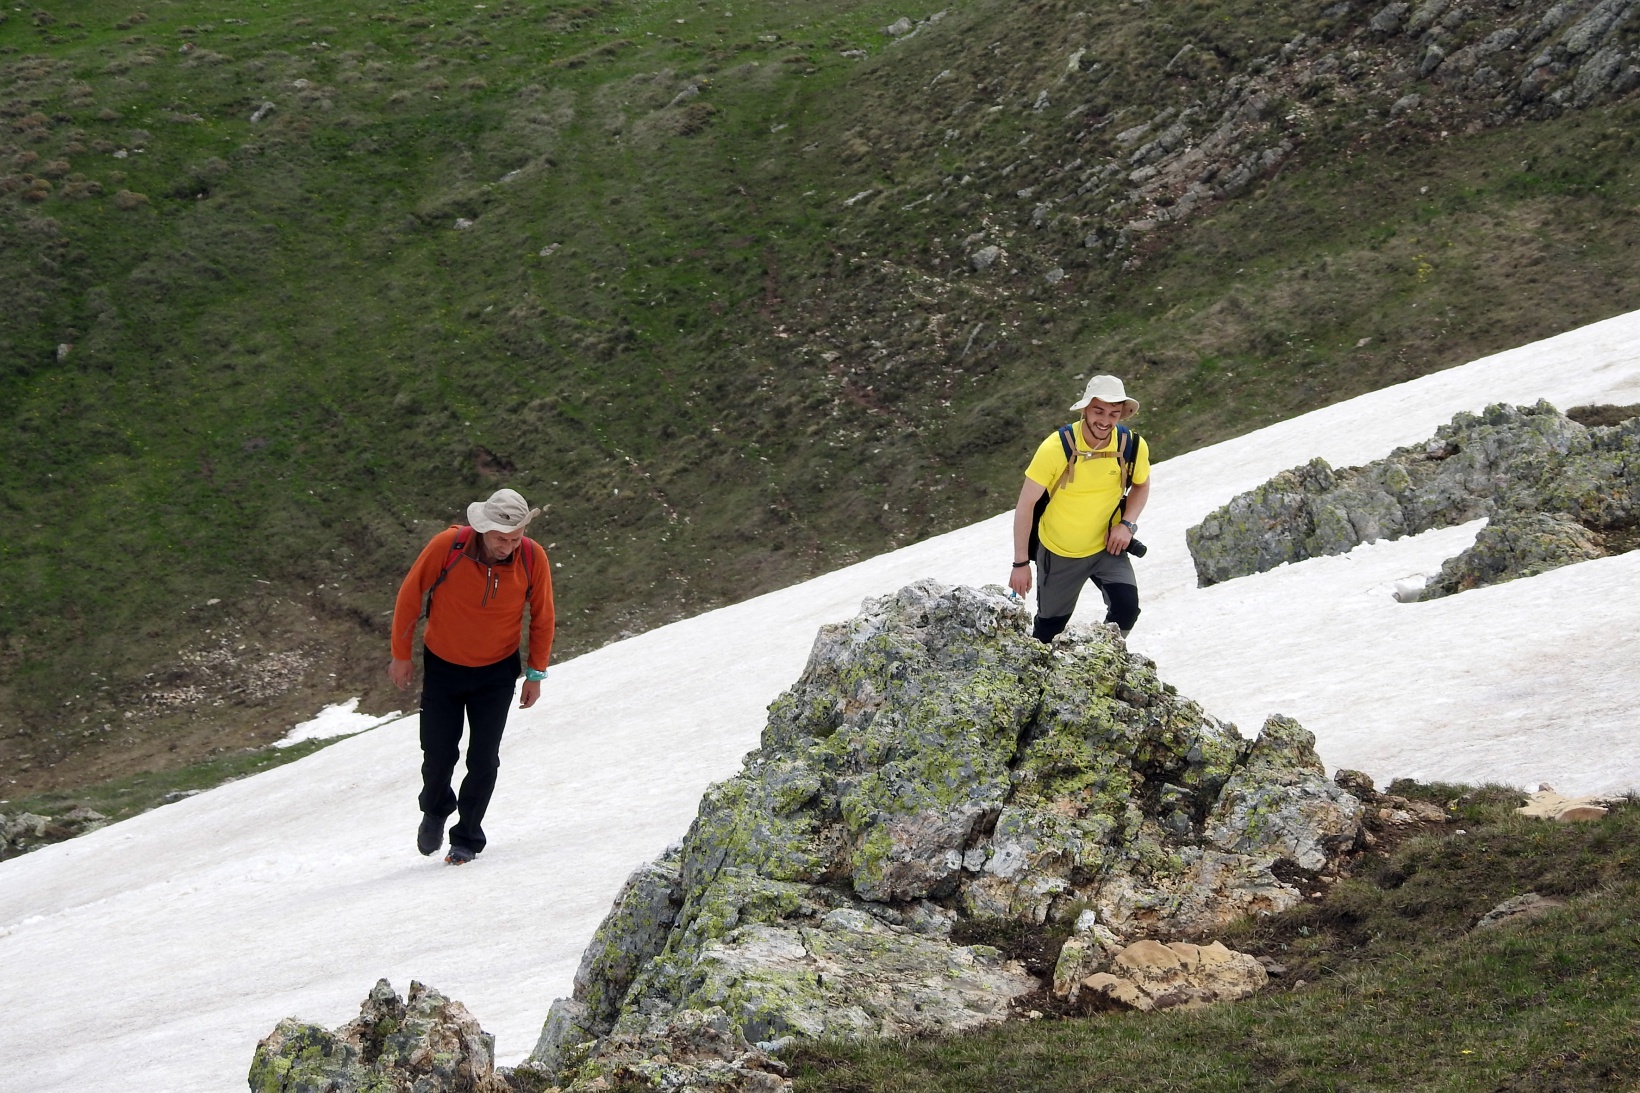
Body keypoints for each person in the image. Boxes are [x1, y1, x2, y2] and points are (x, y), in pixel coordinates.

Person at [390, 488, 555, 864]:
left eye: (516, 538)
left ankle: (466, 837)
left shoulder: (532, 557)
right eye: (501, 538)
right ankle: (434, 809)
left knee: (484, 759)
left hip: (497, 673)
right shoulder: (448, 545)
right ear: (483, 528)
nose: (509, 546)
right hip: (443, 667)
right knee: (437, 754)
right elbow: (410, 595)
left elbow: (543, 616)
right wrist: (401, 655)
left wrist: (535, 674)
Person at [1007, 375, 1151, 642]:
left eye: (1113, 413)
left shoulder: (1131, 446)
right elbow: (1026, 504)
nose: (1105, 420)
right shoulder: (1056, 447)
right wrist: (1020, 563)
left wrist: (1127, 524)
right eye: (1098, 411)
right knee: (1048, 631)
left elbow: (1142, 486)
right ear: (1085, 409)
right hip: (1059, 553)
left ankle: (1101, 662)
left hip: (1107, 548)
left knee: (1127, 610)